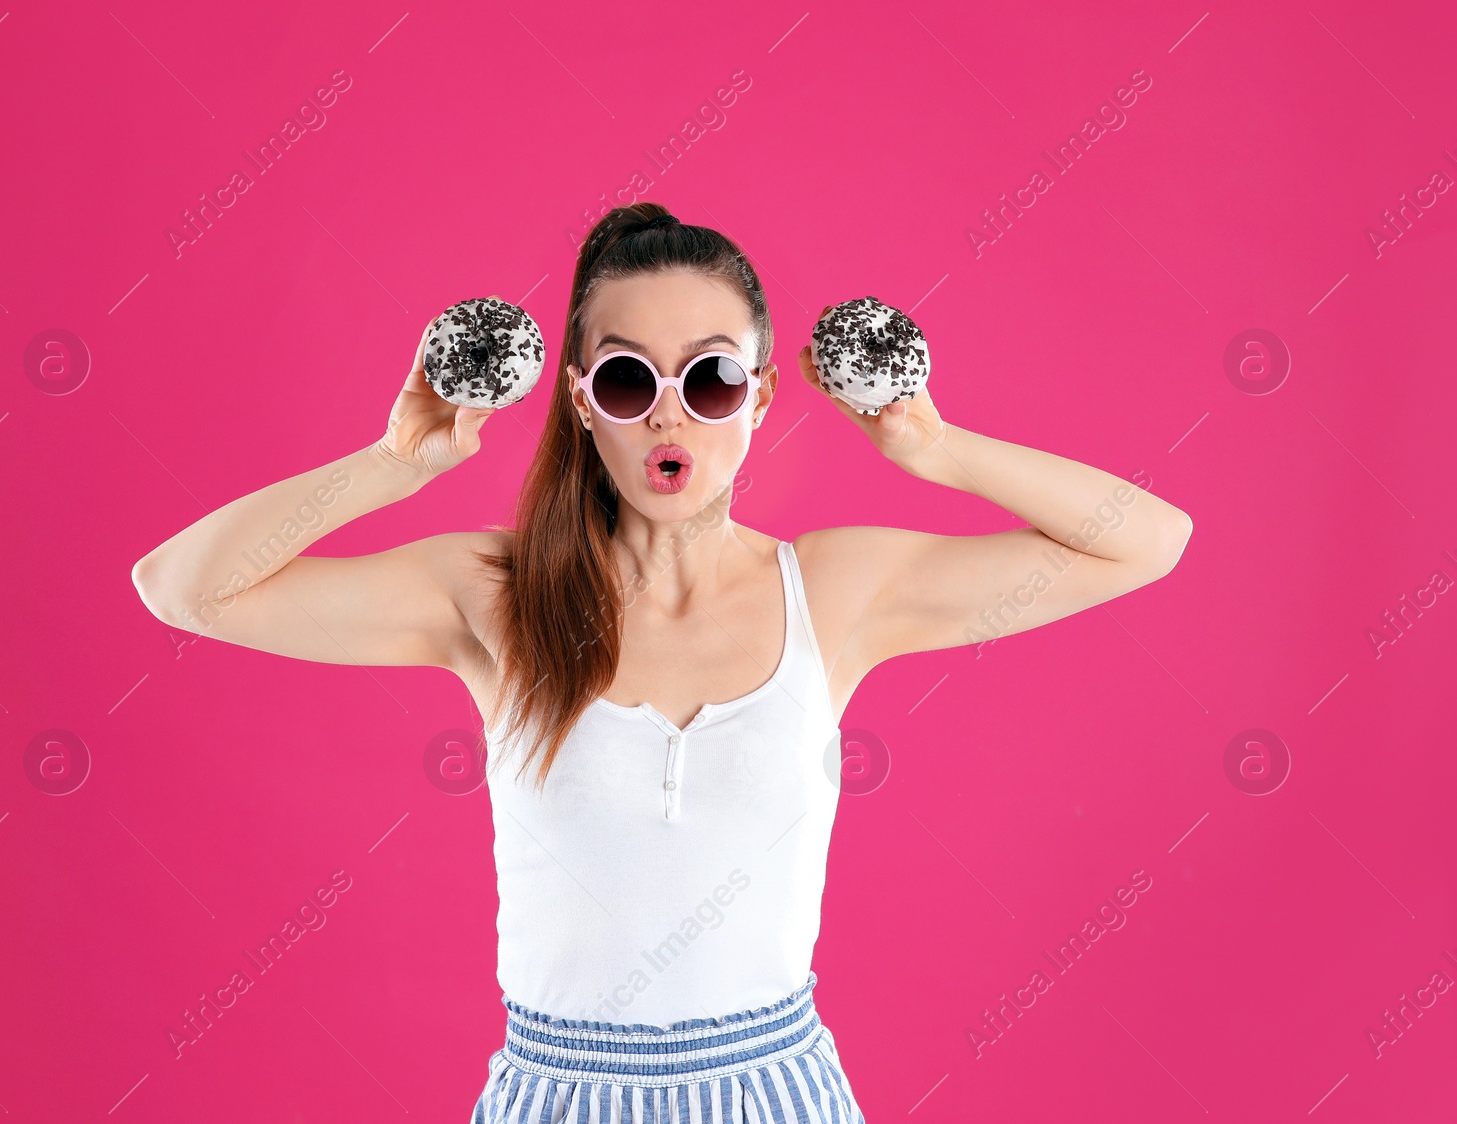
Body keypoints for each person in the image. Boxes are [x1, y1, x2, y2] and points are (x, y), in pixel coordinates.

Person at [131, 203, 1193, 1122]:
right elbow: (181, 586)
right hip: (556, 1095)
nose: (670, 413)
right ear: (583, 397)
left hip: (775, 1091)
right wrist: (391, 465)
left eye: (714, 377)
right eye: (632, 379)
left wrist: (935, 448)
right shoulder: (495, 597)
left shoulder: (836, 591)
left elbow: (1147, 538)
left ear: (765, 395)